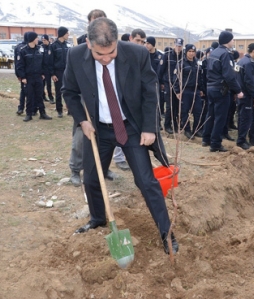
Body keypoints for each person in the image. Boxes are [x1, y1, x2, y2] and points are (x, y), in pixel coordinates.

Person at [62, 17, 178, 255]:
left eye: (111, 53)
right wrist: (82, 121)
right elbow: (69, 92)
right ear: (88, 45)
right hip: (99, 129)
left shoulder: (136, 54)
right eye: (99, 54)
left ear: (117, 41)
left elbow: (150, 91)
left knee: (146, 182)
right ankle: (97, 219)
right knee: (92, 179)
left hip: (131, 127)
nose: (105, 59)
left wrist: (149, 127)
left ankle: (166, 233)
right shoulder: (74, 56)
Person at [68, 10, 119, 187]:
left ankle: (102, 168)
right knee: (82, 137)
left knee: (106, 138)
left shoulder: (110, 44)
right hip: (85, 99)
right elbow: (71, 86)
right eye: (94, 21)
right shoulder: (82, 44)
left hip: (104, 99)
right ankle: (75, 169)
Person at [202, 31, 243, 152]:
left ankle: (206, 138)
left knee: (211, 115)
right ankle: (215, 144)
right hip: (221, 89)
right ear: (228, 40)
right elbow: (229, 76)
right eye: (232, 39)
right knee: (220, 117)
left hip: (210, 87)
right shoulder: (225, 54)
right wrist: (238, 90)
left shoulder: (214, 52)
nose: (233, 42)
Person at [16, 32, 52, 122]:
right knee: (30, 96)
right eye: (36, 38)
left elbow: (44, 62)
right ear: (32, 39)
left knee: (39, 95)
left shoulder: (40, 50)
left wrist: (43, 73)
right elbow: (20, 66)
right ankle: (29, 114)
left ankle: (42, 113)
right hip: (28, 78)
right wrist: (23, 77)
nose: (38, 40)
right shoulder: (23, 50)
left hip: (38, 77)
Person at [174, 44, 204, 139]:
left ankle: (196, 130)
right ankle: (187, 130)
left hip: (196, 91)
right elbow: (176, 78)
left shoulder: (198, 63)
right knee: (184, 111)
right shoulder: (181, 63)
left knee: (197, 111)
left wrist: (201, 89)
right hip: (185, 91)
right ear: (186, 52)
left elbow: (200, 77)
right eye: (189, 51)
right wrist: (178, 91)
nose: (191, 53)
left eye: (193, 51)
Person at [235, 43, 254, 150]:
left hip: (240, 93)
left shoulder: (240, 61)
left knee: (241, 117)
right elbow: (249, 81)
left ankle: (240, 138)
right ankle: (241, 140)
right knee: (246, 118)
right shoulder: (248, 63)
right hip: (246, 94)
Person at [158, 38, 184, 134]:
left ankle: (175, 124)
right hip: (168, 83)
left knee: (177, 106)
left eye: (180, 46)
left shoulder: (183, 56)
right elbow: (160, 70)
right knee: (169, 106)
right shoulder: (167, 56)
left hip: (179, 84)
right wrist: (161, 83)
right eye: (177, 45)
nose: (178, 47)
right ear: (174, 45)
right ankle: (167, 125)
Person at [50, 26, 70, 118]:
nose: (68, 35)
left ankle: (70, 109)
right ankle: (59, 110)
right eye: (67, 33)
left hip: (68, 71)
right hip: (58, 72)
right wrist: (52, 74)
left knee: (69, 91)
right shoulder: (53, 46)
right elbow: (50, 61)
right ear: (62, 34)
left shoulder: (67, 45)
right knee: (59, 91)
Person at [14, 32, 30, 115]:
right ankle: (22, 108)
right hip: (25, 73)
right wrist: (19, 75)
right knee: (25, 92)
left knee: (24, 92)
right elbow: (17, 62)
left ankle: (23, 108)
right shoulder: (21, 48)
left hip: (25, 73)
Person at [41, 34, 53, 102]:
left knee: (49, 84)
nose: (43, 41)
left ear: (48, 40)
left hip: (49, 68)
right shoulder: (41, 48)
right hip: (43, 69)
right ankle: (43, 96)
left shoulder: (51, 47)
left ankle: (50, 97)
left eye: (45, 40)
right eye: (42, 40)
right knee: (42, 84)